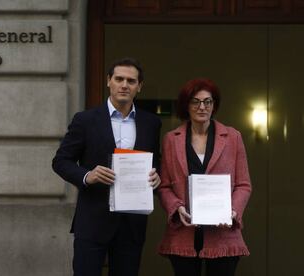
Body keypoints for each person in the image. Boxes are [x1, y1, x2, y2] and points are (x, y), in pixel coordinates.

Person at [52, 57, 162, 276]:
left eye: (131, 81)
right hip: (93, 219)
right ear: (108, 81)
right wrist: (87, 176)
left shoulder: (151, 123)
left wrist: (157, 179)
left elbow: (156, 164)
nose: (124, 85)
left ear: (139, 87)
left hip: (132, 223)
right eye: (119, 79)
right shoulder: (85, 120)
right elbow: (61, 161)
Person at [157, 78, 252, 276]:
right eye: (195, 101)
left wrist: (232, 211)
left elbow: (243, 185)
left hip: (223, 233)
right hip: (184, 233)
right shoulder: (170, 140)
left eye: (207, 101)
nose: (202, 107)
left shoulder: (232, 137)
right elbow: (164, 186)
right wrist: (177, 208)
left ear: (214, 104)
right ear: (186, 105)